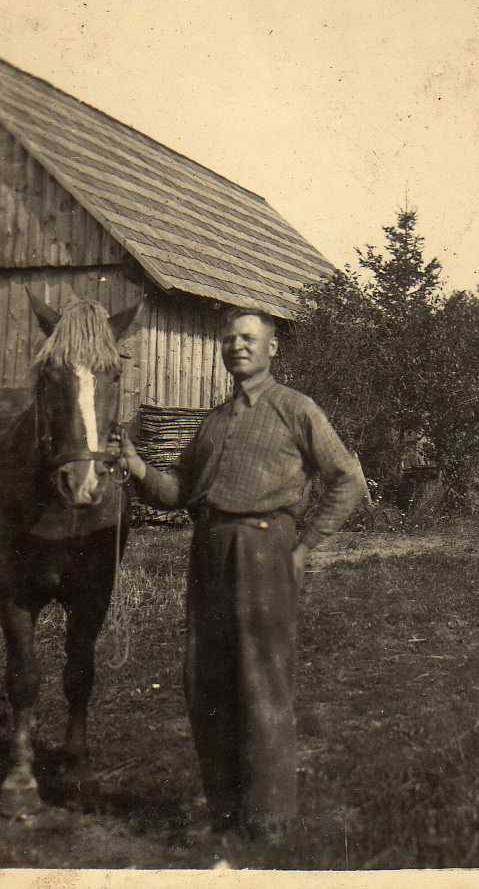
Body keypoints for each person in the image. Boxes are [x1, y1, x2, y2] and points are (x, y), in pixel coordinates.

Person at [122, 307, 364, 856]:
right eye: (229, 339)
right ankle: (225, 813)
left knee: (262, 680)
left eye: (249, 339)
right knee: (204, 679)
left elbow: (347, 480)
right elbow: (178, 490)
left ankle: (271, 821)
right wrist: (137, 468)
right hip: (208, 551)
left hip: (264, 551)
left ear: (272, 347)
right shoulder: (214, 420)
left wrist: (304, 547)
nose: (238, 347)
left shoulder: (295, 409)